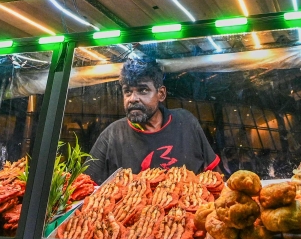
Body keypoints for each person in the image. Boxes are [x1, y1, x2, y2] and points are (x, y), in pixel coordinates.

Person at [85, 52, 219, 184]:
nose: (133, 99)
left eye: (142, 90)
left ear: (161, 94)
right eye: (127, 91)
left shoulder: (186, 122)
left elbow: (215, 176)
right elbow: (87, 187)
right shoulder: (112, 135)